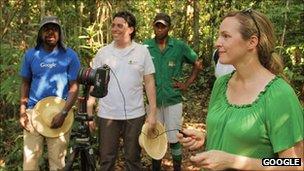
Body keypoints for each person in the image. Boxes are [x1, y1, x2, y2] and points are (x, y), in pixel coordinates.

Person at [177, 9, 303, 170]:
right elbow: (237, 136)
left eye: (226, 36)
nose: (217, 42)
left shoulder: (279, 94)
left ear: (252, 42)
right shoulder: (221, 84)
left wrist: (232, 161)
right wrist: (206, 138)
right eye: (219, 35)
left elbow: (295, 164)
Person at [87, 11, 157, 171]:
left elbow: (150, 82)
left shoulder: (142, 51)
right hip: (107, 114)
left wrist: (152, 112)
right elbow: (94, 83)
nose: (115, 29)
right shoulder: (103, 53)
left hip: (135, 114)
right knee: (106, 160)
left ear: (131, 29)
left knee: (133, 159)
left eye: (120, 25)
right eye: (113, 25)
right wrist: (89, 111)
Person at [19, 16, 80, 170]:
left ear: (60, 33)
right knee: (30, 163)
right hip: (33, 113)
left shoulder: (70, 56)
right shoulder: (31, 55)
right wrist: (23, 111)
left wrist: (64, 113)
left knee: (57, 163)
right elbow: (25, 82)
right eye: (46, 29)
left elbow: (74, 87)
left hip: (60, 112)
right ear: (40, 33)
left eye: (54, 29)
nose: (50, 32)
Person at [143, 12, 202, 171]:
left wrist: (186, 83)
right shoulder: (145, 47)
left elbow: (197, 63)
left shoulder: (179, 46)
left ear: (169, 28)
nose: (160, 29)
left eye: (163, 26)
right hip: (153, 101)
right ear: (153, 26)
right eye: (157, 25)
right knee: (154, 136)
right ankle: (156, 167)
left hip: (173, 99)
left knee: (175, 137)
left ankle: (177, 167)